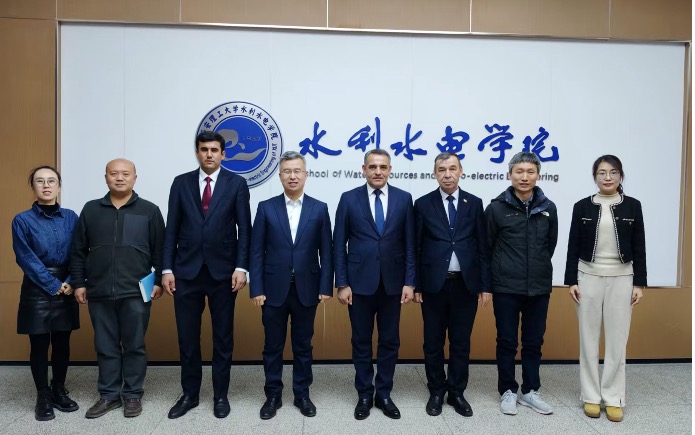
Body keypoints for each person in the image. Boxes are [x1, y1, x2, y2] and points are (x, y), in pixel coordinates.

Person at [163, 130, 252, 419]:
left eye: (214, 150)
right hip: (185, 271)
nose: (209, 154)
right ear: (197, 152)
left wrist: (241, 267)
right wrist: (167, 268)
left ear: (223, 154)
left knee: (222, 338)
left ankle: (220, 395)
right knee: (187, 338)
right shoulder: (181, 183)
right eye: (204, 149)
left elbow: (244, 230)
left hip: (223, 273)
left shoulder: (236, 184)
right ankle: (190, 394)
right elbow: (171, 228)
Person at [70, 158, 165, 419]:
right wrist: (79, 282)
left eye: (125, 174)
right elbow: (78, 250)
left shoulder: (149, 210)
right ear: (106, 177)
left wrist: (158, 281)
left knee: (135, 345)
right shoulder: (91, 209)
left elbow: (161, 250)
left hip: (136, 291)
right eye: (114, 173)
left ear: (135, 178)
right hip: (99, 290)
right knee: (106, 345)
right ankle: (109, 395)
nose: (120, 178)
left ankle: (133, 394)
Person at [249, 151, 333, 420]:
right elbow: (256, 251)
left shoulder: (319, 208)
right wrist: (256, 288)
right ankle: (273, 395)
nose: (293, 176)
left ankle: (302, 394)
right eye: (287, 171)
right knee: (272, 346)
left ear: (306, 174)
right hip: (272, 289)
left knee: (303, 346)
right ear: (280, 175)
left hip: (307, 288)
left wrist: (326, 286)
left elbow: (327, 252)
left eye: (297, 171)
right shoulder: (266, 207)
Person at [333, 149, 416, 421]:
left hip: (393, 284)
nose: (377, 171)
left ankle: (384, 393)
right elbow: (338, 244)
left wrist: (410, 282)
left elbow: (410, 244)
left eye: (382, 167)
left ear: (390, 169)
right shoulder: (349, 198)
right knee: (361, 340)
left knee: (390, 341)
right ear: (364, 169)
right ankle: (364, 394)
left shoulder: (404, 199)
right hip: (358, 284)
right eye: (372, 167)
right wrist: (342, 282)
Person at [565, 155, 645, 422]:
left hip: (622, 278)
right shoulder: (582, 206)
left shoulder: (633, 206)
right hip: (587, 276)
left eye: (613, 172)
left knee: (617, 341)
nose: (607, 177)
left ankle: (613, 398)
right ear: (595, 177)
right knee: (588, 339)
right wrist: (571, 280)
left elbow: (640, 245)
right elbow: (573, 245)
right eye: (601, 173)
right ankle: (590, 396)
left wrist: (639, 283)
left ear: (620, 176)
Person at [414, 152, 491, 417]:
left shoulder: (474, 203)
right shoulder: (423, 204)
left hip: (465, 285)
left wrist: (485, 286)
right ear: (434, 173)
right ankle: (436, 390)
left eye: (452, 168)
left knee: (461, 341)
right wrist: (416, 285)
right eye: (441, 169)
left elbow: (482, 247)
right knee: (433, 342)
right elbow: (416, 246)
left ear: (461, 171)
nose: (447, 174)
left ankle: (457, 391)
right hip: (433, 285)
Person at [485, 151, 557, 416]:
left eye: (530, 172)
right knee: (506, 341)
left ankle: (530, 390)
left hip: (539, 286)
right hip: (506, 286)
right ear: (509, 175)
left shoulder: (548, 208)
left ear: (538, 176)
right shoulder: (496, 208)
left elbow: (550, 245)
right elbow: (487, 247)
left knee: (533, 342)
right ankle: (507, 389)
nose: (524, 177)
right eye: (519, 172)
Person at [12, 166, 80, 421]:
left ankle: (59, 389)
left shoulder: (71, 217)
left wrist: (71, 281)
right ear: (33, 187)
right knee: (39, 343)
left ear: (59, 186)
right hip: (36, 286)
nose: (46, 185)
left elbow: (80, 251)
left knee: (62, 342)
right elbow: (25, 258)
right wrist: (53, 284)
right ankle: (43, 395)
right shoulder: (22, 220)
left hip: (67, 283)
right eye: (40, 181)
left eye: (51, 181)